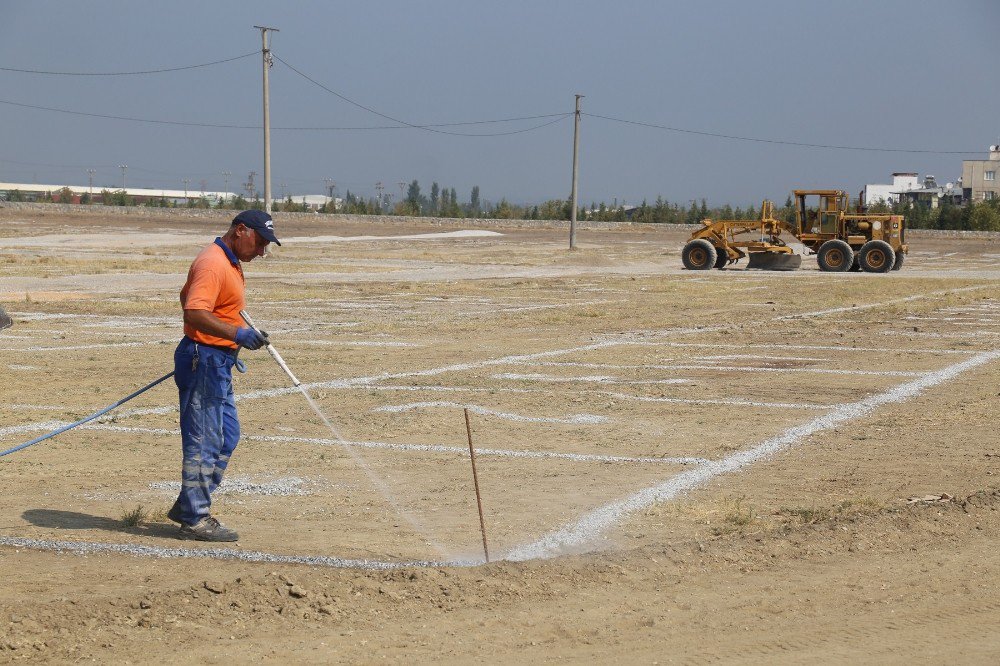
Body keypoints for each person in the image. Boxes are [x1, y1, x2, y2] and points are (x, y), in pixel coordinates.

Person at [166, 210, 280, 541]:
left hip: (218, 361)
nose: (261, 252)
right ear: (240, 230)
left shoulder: (229, 263)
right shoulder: (213, 262)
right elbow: (194, 311)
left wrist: (243, 331)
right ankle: (195, 518)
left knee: (227, 437)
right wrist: (234, 333)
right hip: (204, 361)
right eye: (259, 242)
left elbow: (188, 296)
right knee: (205, 440)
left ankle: (188, 503)